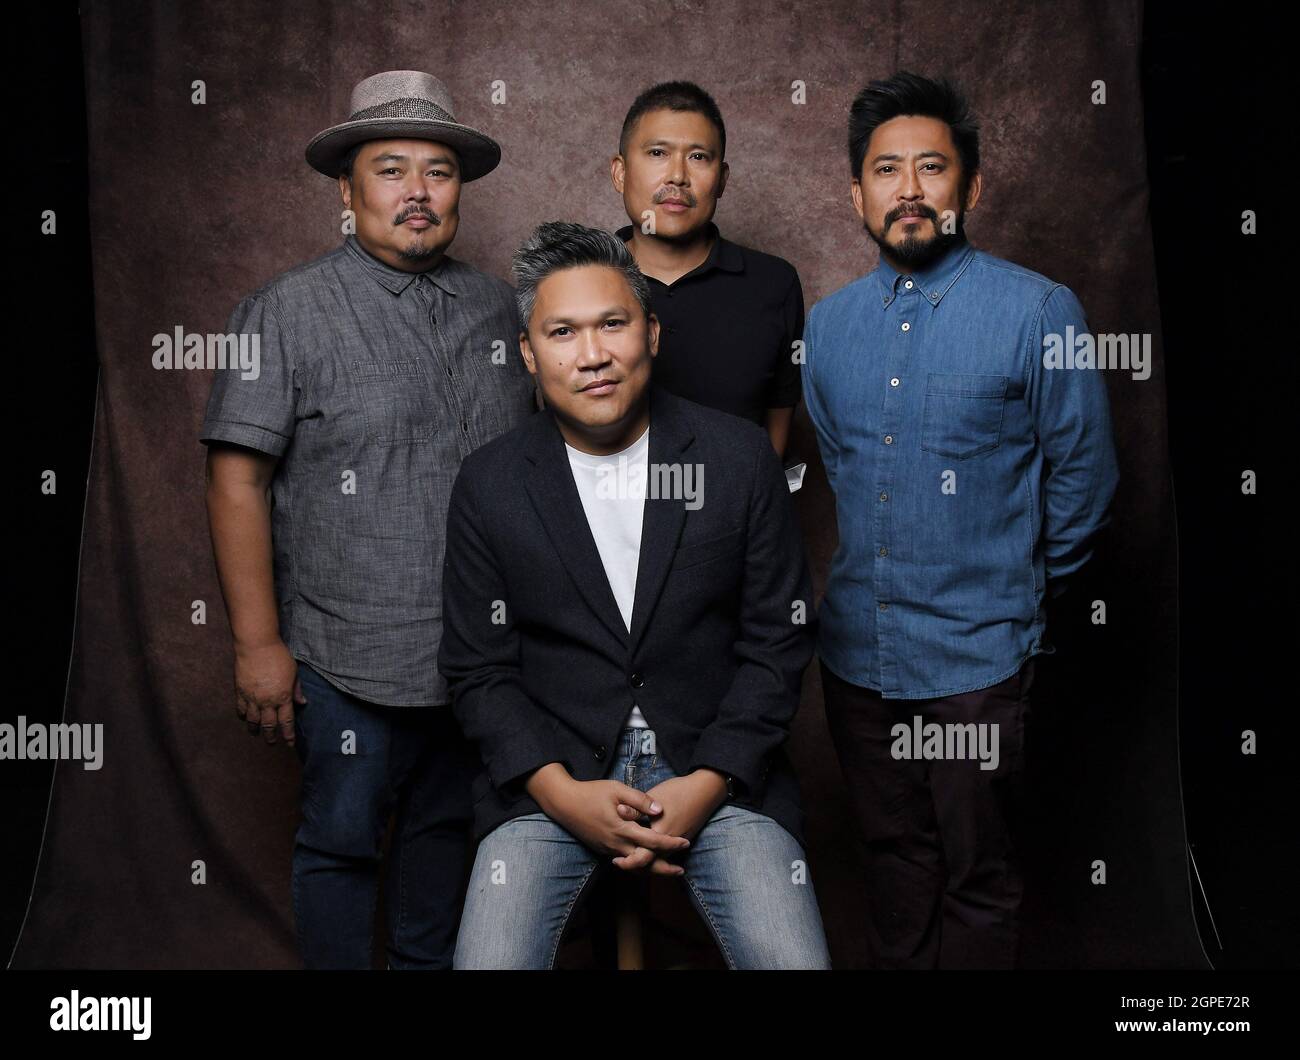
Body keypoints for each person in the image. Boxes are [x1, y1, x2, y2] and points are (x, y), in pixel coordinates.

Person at [200, 70, 535, 969]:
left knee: (445, 843)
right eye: (391, 170)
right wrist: (256, 644)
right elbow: (237, 483)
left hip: (476, 661)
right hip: (345, 658)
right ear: (348, 191)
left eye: (438, 171)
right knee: (341, 848)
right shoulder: (285, 312)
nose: (418, 192)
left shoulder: (502, 311)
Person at [441, 221, 830, 969]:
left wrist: (708, 783)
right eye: (561, 333)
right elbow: (477, 670)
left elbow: (777, 642)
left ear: (651, 331)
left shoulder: (737, 456)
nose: (592, 356)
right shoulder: (489, 483)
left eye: (612, 324)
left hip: (716, 771)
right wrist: (561, 796)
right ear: (528, 353)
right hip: (550, 781)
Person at [802, 71, 1119, 969]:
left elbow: (1085, 487)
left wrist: (1005, 587)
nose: (907, 190)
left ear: (969, 187)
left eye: (930, 168)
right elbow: (843, 465)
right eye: (885, 170)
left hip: (979, 665)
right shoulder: (827, 330)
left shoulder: (1038, 312)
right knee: (894, 866)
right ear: (855, 192)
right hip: (859, 664)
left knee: (979, 878)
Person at [611, 81, 804, 456]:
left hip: (736, 508)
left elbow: (778, 421)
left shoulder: (773, 284)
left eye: (698, 157)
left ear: (722, 179)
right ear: (619, 172)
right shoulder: (579, 282)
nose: (677, 176)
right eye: (657, 153)